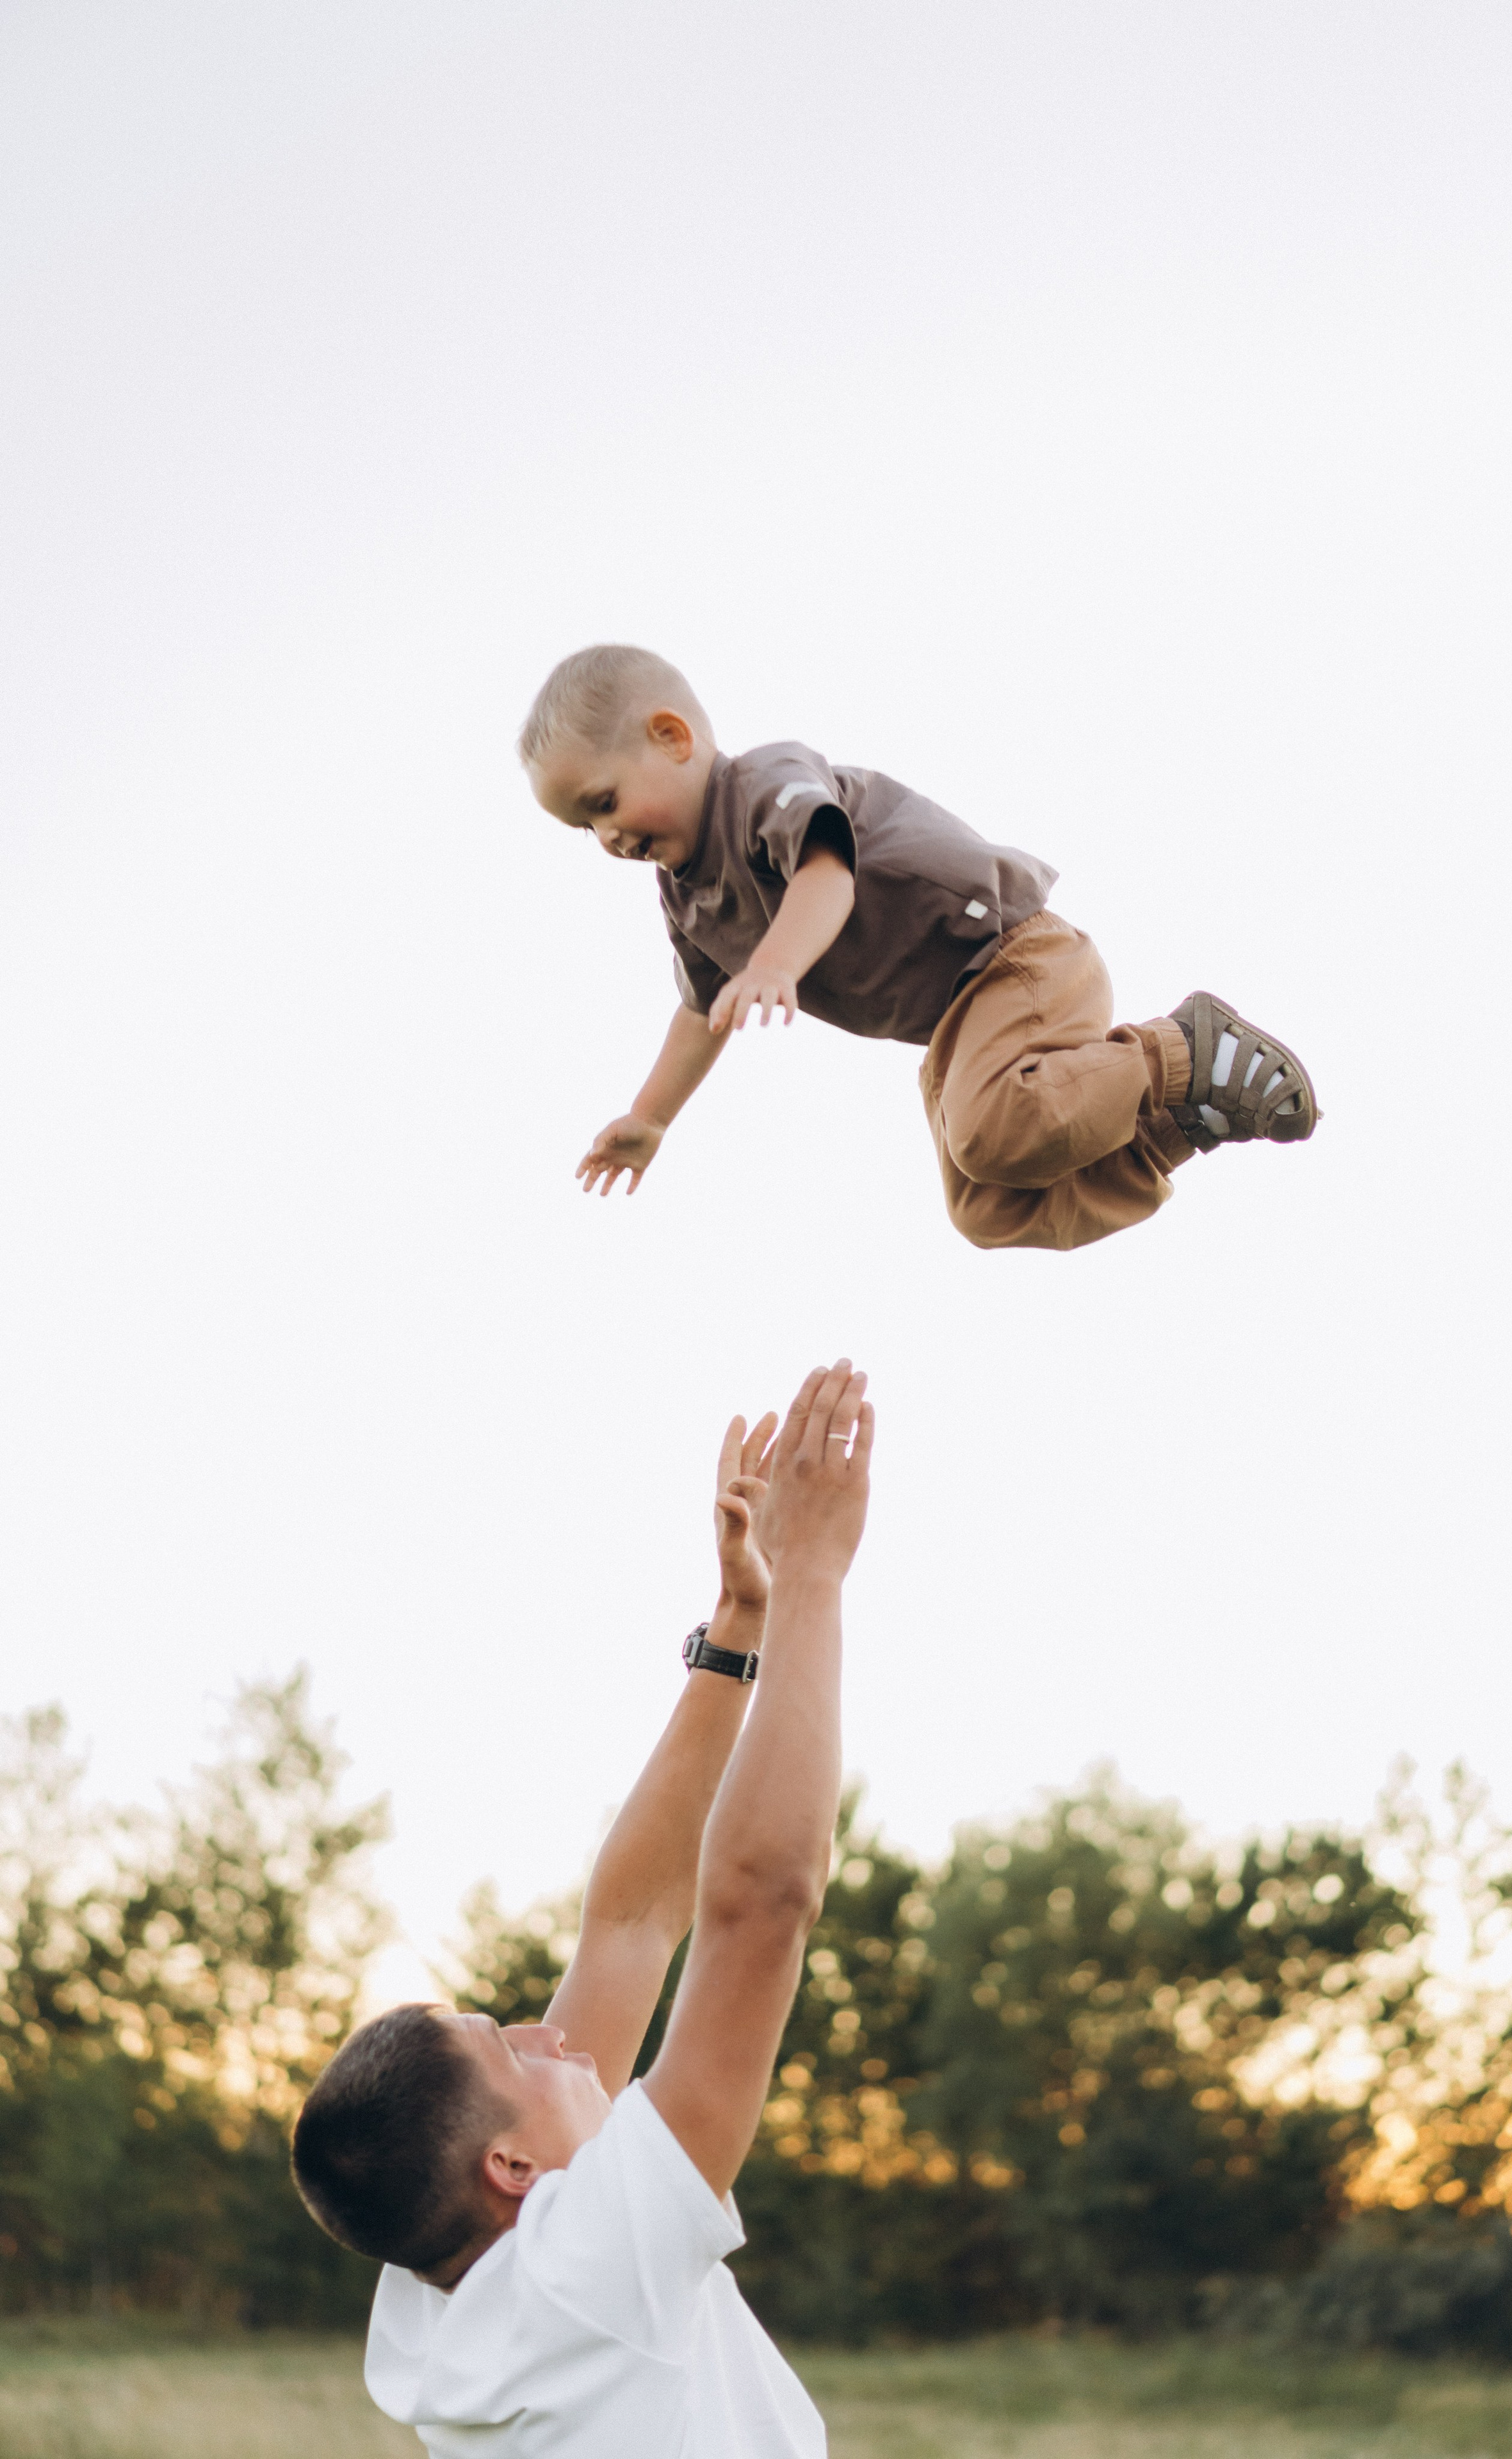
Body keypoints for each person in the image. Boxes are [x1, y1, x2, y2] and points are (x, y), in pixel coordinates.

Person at [291, 1360, 873, 2456]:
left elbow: (631, 1926)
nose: (551, 2031)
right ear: (510, 2171)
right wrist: (814, 1579)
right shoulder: (589, 2270)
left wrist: (737, 1628)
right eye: (513, 2050)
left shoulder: (442, 2292)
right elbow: (760, 1904)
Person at [519, 644, 1320, 1253]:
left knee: (989, 1128)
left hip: (1014, 958)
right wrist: (650, 1119)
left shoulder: (764, 784)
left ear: (670, 736)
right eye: (584, 827)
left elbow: (827, 873)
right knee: (987, 1203)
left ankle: (1176, 1056)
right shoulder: (688, 899)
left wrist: (773, 964)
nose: (608, 837)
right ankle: (1185, 1119)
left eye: (604, 801)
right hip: (958, 1021)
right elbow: (701, 1013)